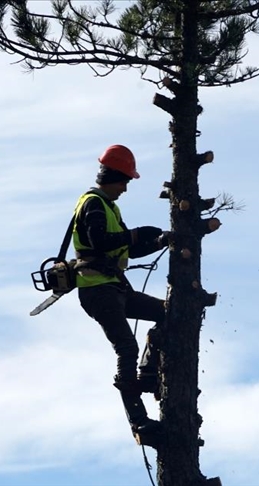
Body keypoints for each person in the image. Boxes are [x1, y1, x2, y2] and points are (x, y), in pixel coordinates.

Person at [72, 144, 166, 447]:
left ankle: (149, 373)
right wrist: (135, 234)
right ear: (113, 176)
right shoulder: (94, 204)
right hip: (97, 289)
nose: (126, 188)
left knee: (168, 312)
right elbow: (99, 241)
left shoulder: (109, 206)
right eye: (125, 181)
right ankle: (139, 422)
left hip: (114, 287)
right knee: (126, 347)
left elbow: (125, 247)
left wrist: (161, 240)